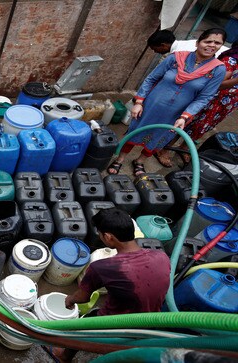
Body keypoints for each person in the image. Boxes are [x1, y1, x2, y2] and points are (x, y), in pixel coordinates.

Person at [46, 208, 171, 363]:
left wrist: (70, 300)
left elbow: (83, 298)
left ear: (108, 237)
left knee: (81, 327)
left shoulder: (104, 267)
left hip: (117, 323)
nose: (100, 236)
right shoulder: (161, 256)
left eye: (99, 233)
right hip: (151, 322)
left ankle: (63, 357)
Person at [107, 28, 226, 175]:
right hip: (150, 106)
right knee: (135, 131)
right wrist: (139, 102)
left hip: (176, 114)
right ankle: (120, 159)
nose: (212, 45)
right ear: (198, 42)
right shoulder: (176, 57)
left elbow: (205, 97)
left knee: (158, 137)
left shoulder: (218, 70)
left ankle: (140, 161)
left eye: (217, 43)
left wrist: (185, 117)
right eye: (208, 41)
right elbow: (151, 79)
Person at [175, 41, 238, 164]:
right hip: (213, 101)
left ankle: (183, 147)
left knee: (202, 128)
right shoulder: (231, 60)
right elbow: (218, 84)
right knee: (189, 122)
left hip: (226, 105)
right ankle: (164, 149)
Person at [148, 29, 228, 57]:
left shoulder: (179, 52)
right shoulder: (185, 44)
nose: (155, 52)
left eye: (155, 49)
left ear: (163, 45)